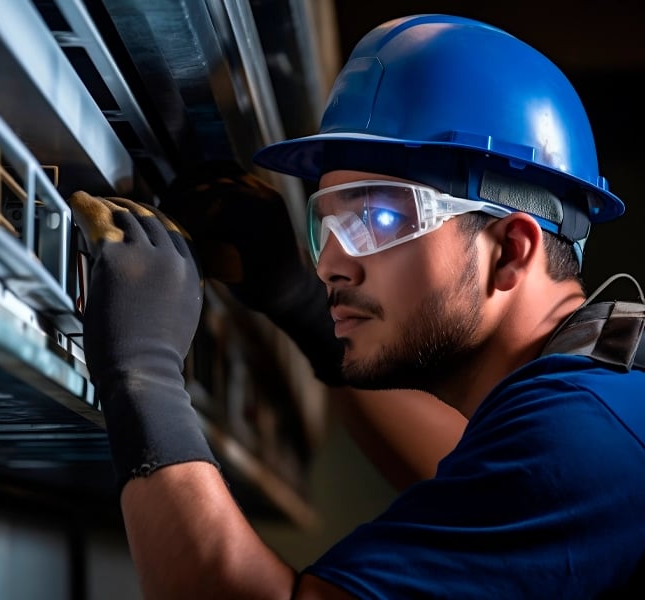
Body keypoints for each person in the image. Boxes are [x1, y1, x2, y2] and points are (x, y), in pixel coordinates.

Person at [70, 13, 645, 599]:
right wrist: (299, 301)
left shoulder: (585, 439)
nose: (329, 266)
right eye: (332, 222)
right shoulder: (598, 394)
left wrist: (140, 371)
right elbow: (479, 485)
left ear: (510, 252)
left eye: (380, 218)